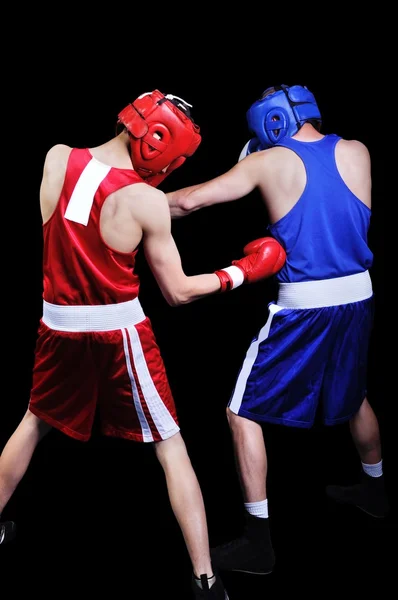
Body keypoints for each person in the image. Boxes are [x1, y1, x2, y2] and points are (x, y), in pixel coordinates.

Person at [0, 89, 286, 598]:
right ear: (159, 143)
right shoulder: (145, 201)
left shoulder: (56, 157)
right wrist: (240, 273)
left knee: (33, 422)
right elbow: (177, 292)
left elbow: (79, 223)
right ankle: (205, 578)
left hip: (57, 327)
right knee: (171, 446)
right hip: (118, 336)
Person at [166, 84, 389, 576]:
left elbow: (190, 203)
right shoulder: (358, 150)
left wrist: (125, 206)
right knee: (355, 397)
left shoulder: (268, 162)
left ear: (270, 122)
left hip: (305, 307)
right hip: (358, 297)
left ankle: (258, 543)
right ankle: (376, 491)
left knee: (241, 413)